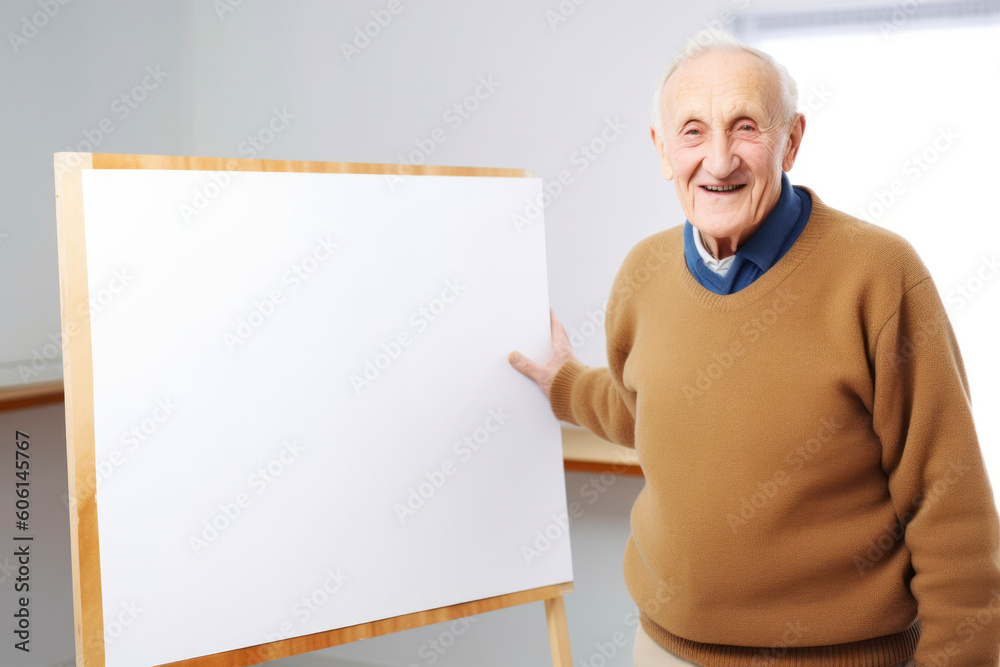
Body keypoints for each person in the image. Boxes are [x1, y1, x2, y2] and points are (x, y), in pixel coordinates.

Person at [508, 28, 1000, 667]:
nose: (718, 160)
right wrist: (566, 385)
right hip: (662, 651)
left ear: (792, 140)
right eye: (692, 132)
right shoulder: (642, 273)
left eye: (745, 127)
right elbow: (647, 408)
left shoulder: (880, 274)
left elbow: (949, 502)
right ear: (661, 149)